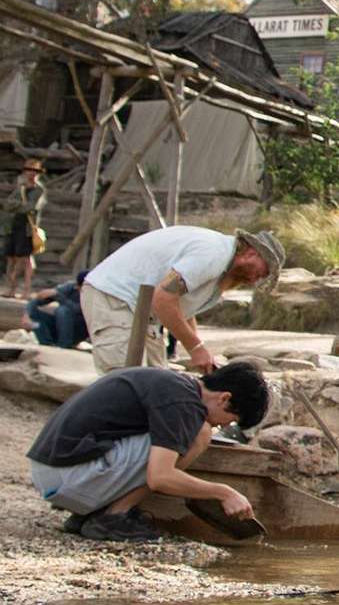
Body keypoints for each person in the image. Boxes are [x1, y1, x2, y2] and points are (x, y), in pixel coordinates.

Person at [27, 361, 268, 541]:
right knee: (200, 434)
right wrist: (223, 492)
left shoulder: (175, 385)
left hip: (53, 471)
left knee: (183, 439)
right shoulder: (185, 403)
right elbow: (160, 477)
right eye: (230, 420)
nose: (223, 427)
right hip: (68, 475)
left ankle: (94, 513)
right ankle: (113, 517)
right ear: (224, 398)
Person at [80, 226, 283, 374]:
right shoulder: (214, 254)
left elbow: (182, 307)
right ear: (251, 253)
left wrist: (200, 352)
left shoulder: (222, 265)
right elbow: (163, 297)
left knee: (156, 380)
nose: (258, 279)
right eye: (263, 271)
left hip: (143, 310)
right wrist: (195, 348)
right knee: (124, 382)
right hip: (115, 297)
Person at [4, 158, 46, 299]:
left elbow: (31, 207)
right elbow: (7, 204)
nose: (32, 173)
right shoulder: (20, 188)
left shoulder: (39, 190)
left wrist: (17, 206)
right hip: (14, 225)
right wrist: (19, 206)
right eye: (29, 170)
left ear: (38, 173)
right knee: (11, 258)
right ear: (25, 172)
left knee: (25, 259)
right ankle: (10, 289)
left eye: (35, 171)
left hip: (28, 228)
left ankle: (26, 291)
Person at [23, 272, 89, 349]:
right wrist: (26, 314)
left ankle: (64, 344)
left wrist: (58, 296)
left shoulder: (93, 295)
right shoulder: (71, 286)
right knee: (33, 314)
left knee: (62, 311)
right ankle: (46, 343)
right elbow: (37, 300)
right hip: (59, 328)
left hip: (77, 331)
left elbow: (78, 309)